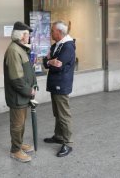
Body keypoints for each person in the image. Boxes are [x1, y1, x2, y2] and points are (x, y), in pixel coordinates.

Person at [3, 21, 38, 163]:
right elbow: (16, 79)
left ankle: (19, 143)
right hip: (18, 96)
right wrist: (29, 91)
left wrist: (33, 84)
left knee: (21, 122)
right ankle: (15, 150)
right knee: (17, 124)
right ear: (21, 35)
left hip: (22, 95)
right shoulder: (13, 50)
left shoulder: (20, 48)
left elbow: (27, 71)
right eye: (27, 34)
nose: (28, 37)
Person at [43, 20, 76, 157]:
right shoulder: (57, 45)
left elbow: (59, 66)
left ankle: (68, 143)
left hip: (61, 84)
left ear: (60, 32)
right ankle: (58, 136)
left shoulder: (68, 47)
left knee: (64, 115)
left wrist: (50, 61)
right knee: (57, 113)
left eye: (52, 31)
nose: (50, 33)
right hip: (55, 84)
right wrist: (50, 61)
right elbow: (45, 62)